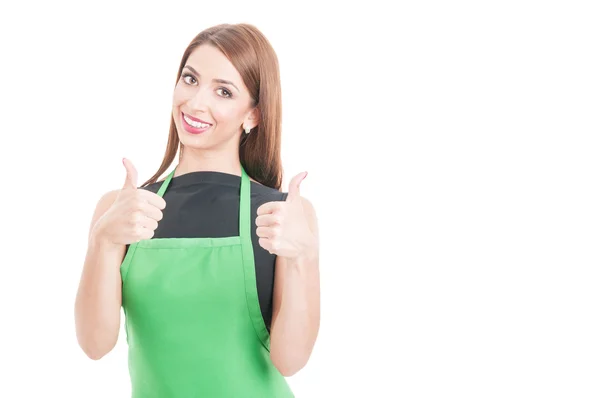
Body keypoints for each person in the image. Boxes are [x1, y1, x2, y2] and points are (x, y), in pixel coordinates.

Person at [74, 23, 320, 397]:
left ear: (252, 115)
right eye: (190, 79)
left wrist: (303, 256)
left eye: (223, 91)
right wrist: (102, 241)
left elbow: (291, 360)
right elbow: (94, 344)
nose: (195, 102)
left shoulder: (281, 214)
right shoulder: (123, 209)